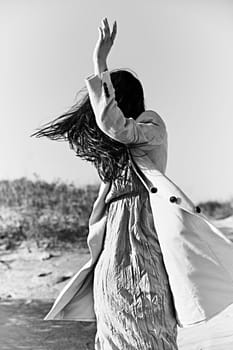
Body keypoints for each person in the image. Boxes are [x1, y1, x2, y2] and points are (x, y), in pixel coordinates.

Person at [32, 17, 233, 350]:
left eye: (111, 96)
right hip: (115, 227)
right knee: (113, 307)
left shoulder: (150, 124)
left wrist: (99, 63)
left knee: (146, 305)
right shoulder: (117, 149)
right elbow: (109, 129)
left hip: (142, 224)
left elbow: (116, 127)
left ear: (122, 99)